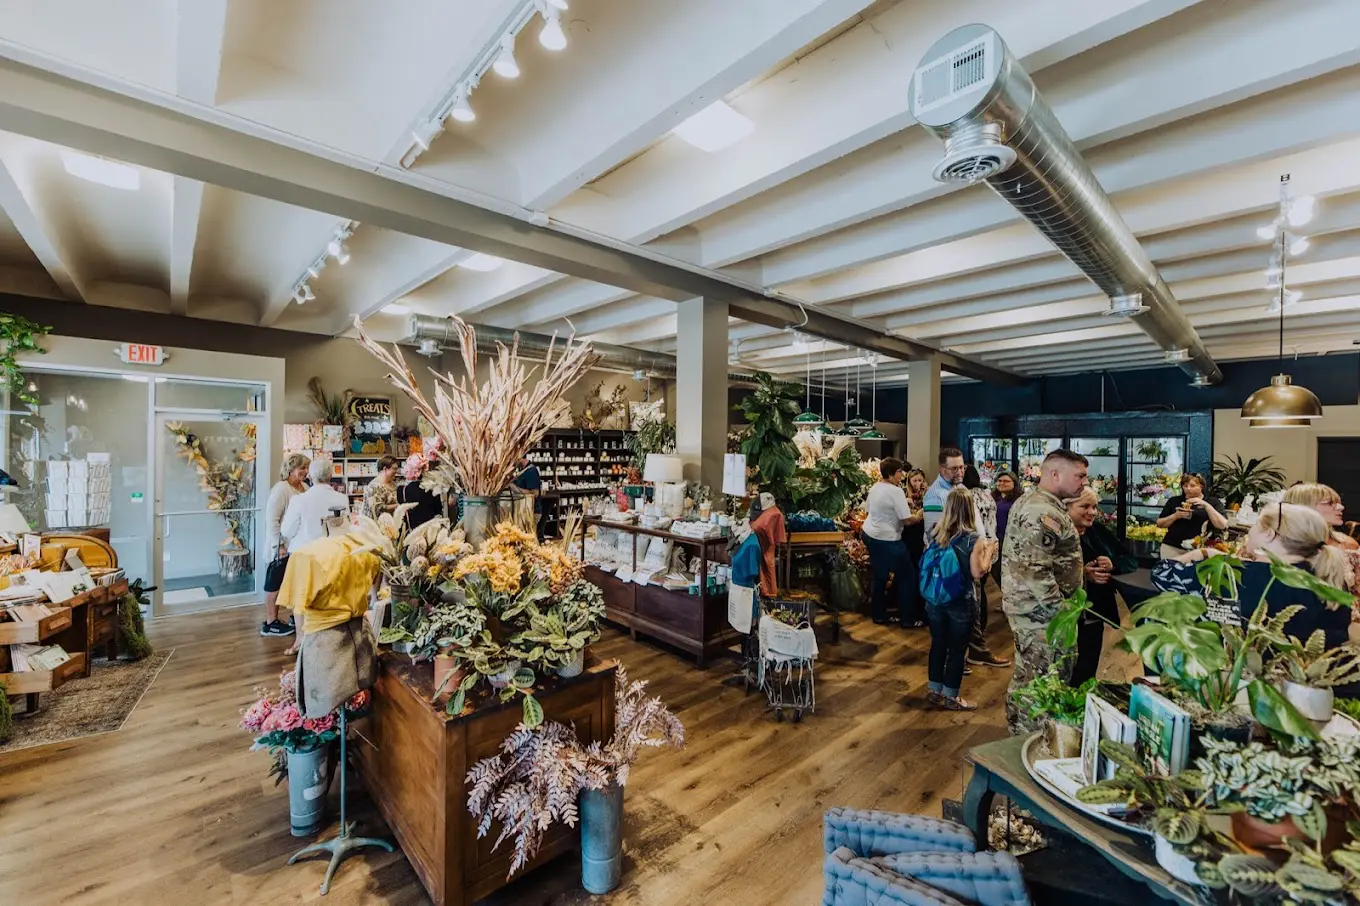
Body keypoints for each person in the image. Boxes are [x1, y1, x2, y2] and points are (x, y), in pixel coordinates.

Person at [1155, 504, 1354, 695]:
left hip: (1238, 690)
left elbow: (1161, 574)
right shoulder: (1331, 581)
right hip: (1313, 694)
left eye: (1255, 525)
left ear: (1268, 534)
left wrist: (1202, 553)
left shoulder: (1236, 575)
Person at [1001, 448, 1088, 733]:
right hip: (1042, 617)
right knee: (1043, 680)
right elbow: (1034, 568)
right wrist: (1060, 612)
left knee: (1029, 674)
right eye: (1079, 476)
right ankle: (1029, 739)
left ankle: (1021, 733)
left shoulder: (1040, 502)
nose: (1084, 483)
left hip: (1036, 612)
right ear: (1055, 474)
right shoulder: (1042, 510)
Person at [924, 488, 996, 712]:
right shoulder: (973, 539)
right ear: (969, 510)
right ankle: (951, 696)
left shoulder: (935, 531)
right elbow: (977, 572)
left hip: (935, 599)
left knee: (938, 644)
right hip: (960, 600)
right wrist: (988, 553)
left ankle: (934, 689)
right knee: (957, 650)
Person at [1065, 487, 1134, 686]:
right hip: (1068, 615)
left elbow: (1129, 559)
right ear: (1066, 507)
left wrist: (1113, 564)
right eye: (1085, 506)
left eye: (1095, 507)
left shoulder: (1098, 531)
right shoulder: (1059, 537)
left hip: (1095, 614)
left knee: (1088, 666)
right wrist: (1082, 574)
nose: (1092, 512)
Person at [861, 457, 925, 627]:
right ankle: (907, 620)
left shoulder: (876, 487)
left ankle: (879, 616)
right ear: (890, 474)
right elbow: (907, 521)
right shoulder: (896, 491)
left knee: (880, 576)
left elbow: (869, 509)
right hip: (888, 539)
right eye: (899, 472)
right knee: (907, 578)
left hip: (869, 534)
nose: (902, 475)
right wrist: (920, 514)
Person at [961, 465, 1010, 668]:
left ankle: (975, 639)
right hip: (991, 546)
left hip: (976, 549)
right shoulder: (988, 496)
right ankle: (978, 637)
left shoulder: (965, 497)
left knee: (974, 596)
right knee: (980, 594)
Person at [260, 452, 310, 638]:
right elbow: (272, 520)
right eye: (302, 468)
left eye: (307, 468)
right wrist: (278, 545)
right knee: (275, 584)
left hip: (298, 546)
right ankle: (270, 622)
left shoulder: (304, 487)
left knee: (293, 583)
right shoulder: (281, 489)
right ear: (290, 469)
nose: (305, 471)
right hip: (281, 547)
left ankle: (293, 618)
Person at [281, 458, 351, 551]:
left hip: (304, 553)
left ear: (310, 476)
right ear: (330, 475)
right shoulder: (342, 499)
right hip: (334, 553)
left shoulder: (298, 500)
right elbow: (346, 527)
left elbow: (287, 531)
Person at [1155, 472, 1228, 560]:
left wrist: (1206, 506)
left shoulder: (1213, 502)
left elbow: (1222, 525)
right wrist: (1175, 516)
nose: (1188, 489)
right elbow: (1159, 523)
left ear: (1201, 486)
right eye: (1185, 486)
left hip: (1200, 550)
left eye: (1192, 486)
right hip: (1172, 548)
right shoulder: (1174, 501)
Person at [1283, 483, 1359, 550]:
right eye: (1329, 503)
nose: (1341, 507)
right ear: (1304, 507)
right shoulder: (1283, 545)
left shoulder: (1349, 544)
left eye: (1338, 503)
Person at [923, 447, 966, 538]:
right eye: (954, 468)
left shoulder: (957, 487)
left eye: (961, 467)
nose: (960, 472)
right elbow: (934, 534)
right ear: (942, 469)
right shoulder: (936, 496)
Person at [397, 452, 444, 529]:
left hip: (410, 533)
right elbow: (438, 510)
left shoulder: (401, 490)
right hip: (430, 532)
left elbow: (402, 513)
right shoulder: (433, 488)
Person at [991, 471, 1020, 585]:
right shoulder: (992, 498)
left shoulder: (1019, 500)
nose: (1002, 483)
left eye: (1006, 481)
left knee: (1010, 573)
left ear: (1014, 483)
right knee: (995, 570)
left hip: (1011, 540)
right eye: (999, 481)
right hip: (995, 539)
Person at [361, 455, 400, 520]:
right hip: (376, 525)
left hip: (389, 523)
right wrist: (399, 505)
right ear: (385, 469)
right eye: (394, 468)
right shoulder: (374, 486)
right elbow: (377, 508)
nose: (396, 471)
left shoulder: (393, 483)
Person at [513, 455, 544, 538]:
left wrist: (514, 488)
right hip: (525, 510)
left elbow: (535, 493)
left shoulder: (531, 471)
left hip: (532, 512)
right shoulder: (523, 471)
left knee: (530, 539)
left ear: (519, 457)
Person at [903, 469, 929, 567]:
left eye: (920, 480)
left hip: (922, 528)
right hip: (908, 528)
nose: (918, 483)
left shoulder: (927, 492)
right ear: (909, 481)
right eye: (915, 481)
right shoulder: (904, 492)